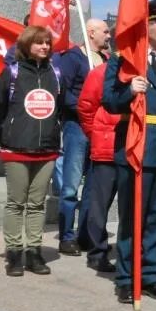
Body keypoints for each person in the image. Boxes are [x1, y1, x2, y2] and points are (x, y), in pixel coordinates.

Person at [102, 0, 156, 303]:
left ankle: (151, 275)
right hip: (136, 147)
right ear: (146, 25)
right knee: (132, 217)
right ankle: (127, 278)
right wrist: (130, 91)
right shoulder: (124, 60)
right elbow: (109, 101)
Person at [0, 25, 63, 277]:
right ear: (26, 44)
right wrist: (8, 137)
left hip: (46, 150)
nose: (44, 47)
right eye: (39, 42)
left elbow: (60, 109)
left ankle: (34, 251)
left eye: (47, 43)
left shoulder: (55, 72)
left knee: (37, 204)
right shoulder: (12, 72)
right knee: (16, 203)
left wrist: (53, 134)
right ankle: (13, 252)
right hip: (16, 149)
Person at [55, 17, 110, 256]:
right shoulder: (73, 58)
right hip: (77, 127)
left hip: (99, 130)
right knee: (71, 185)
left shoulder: (106, 60)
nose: (109, 36)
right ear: (91, 33)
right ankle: (67, 236)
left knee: (92, 186)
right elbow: (63, 92)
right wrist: (86, 109)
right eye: (105, 32)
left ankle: (86, 234)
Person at [77, 59, 120, 273]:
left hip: (133, 149)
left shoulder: (141, 71)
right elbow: (86, 106)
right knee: (100, 205)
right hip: (106, 149)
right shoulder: (101, 72)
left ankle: (127, 251)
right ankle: (97, 252)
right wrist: (96, 134)